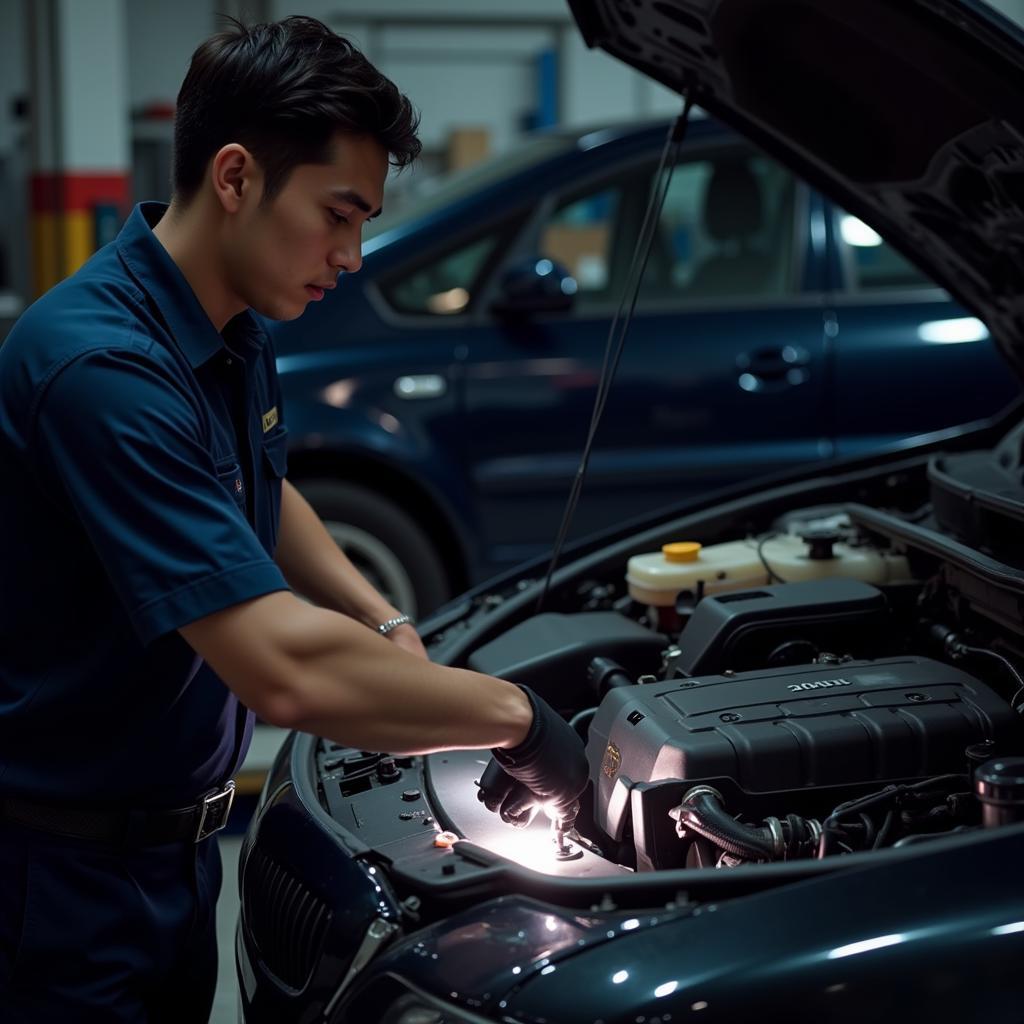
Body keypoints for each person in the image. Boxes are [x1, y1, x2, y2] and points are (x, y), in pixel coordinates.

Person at [0, 16, 587, 1022]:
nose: (353, 255)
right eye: (338, 215)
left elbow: (256, 492)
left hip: (171, 856)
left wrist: (381, 621)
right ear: (234, 177)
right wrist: (521, 722)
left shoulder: (226, 320)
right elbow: (282, 669)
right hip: (60, 879)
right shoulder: (102, 369)